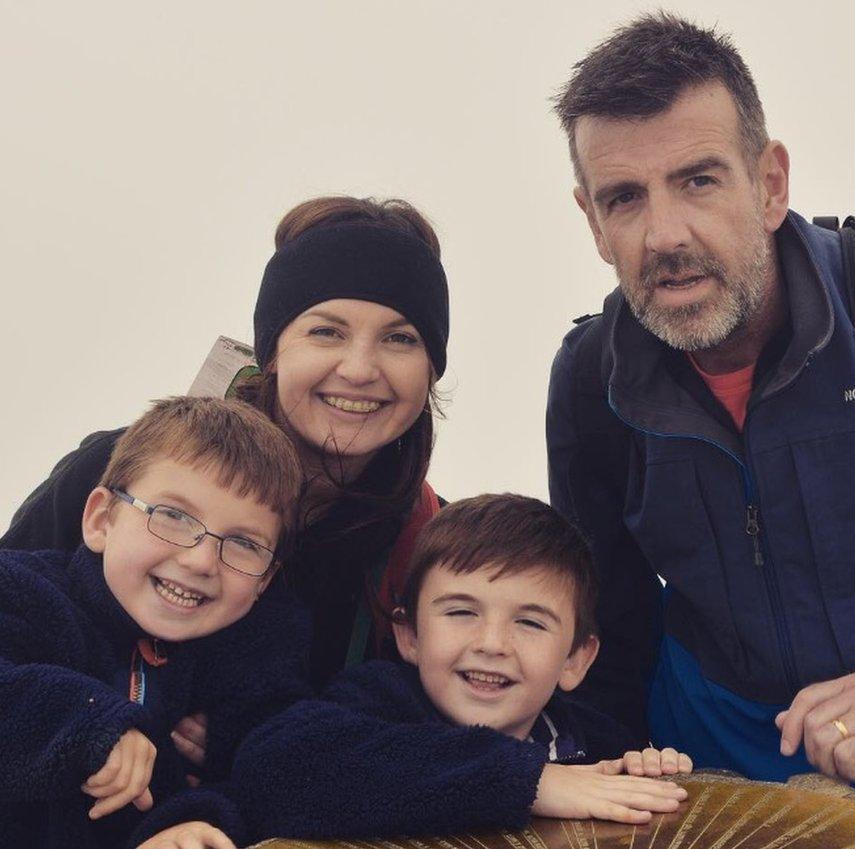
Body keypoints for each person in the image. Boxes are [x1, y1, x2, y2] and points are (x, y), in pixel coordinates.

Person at [546, 12, 855, 810]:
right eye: (625, 198)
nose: (665, 234)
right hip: (707, 776)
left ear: (771, 183)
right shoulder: (588, 381)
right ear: (593, 223)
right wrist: (607, 773)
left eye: (698, 179)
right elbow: (608, 633)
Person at [2, 196, 450, 761]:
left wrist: (249, 743)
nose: (360, 369)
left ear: (431, 368)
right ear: (273, 351)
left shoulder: (429, 546)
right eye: (326, 332)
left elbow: (415, 728)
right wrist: (105, 722)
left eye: (400, 338)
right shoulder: (121, 475)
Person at [229, 494, 692, 841]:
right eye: (461, 612)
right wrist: (526, 780)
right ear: (408, 636)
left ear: (575, 660)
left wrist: (651, 777)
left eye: (530, 622)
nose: (492, 644)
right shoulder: (376, 701)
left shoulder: (596, 744)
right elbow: (273, 767)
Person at [0, 396, 313, 849]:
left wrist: (191, 823)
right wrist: (85, 718)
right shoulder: (24, 591)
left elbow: (265, 774)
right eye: (173, 517)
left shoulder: (244, 665)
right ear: (101, 520)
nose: (202, 560)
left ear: (266, 580)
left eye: (244, 543)